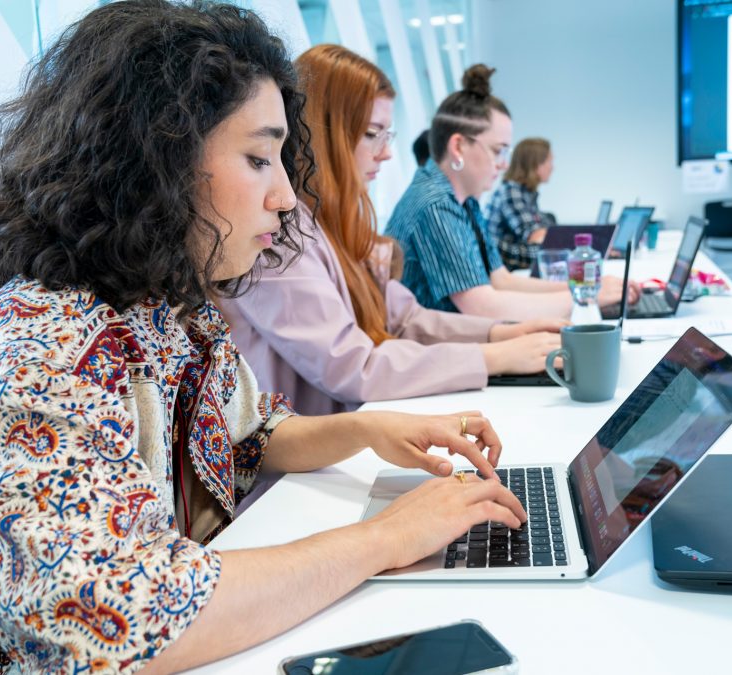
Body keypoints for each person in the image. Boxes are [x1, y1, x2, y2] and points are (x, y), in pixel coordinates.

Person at [0, 4, 526, 673]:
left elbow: (251, 434)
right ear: (154, 159)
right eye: (260, 159)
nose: (287, 196)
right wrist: (385, 538)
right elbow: (123, 629)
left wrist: (372, 431)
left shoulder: (171, 307)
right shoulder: (39, 348)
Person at [219, 44, 564, 416]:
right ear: (325, 134)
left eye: (387, 135)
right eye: (372, 134)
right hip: (307, 464)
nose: (385, 153)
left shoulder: (339, 220)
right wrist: (494, 352)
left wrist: (499, 334)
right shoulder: (279, 235)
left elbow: (402, 316)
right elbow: (352, 367)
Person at [386, 65, 639, 320]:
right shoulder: (435, 204)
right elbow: (482, 306)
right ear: (459, 146)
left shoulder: (464, 201)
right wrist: (589, 296)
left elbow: (501, 280)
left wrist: (583, 288)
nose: (504, 164)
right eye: (498, 151)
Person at [488, 137, 558, 270]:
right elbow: (535, 236)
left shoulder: (526, 193)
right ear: (536, 164)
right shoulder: (511, 191)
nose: (552, 167)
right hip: (503, 270)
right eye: (550, 161)